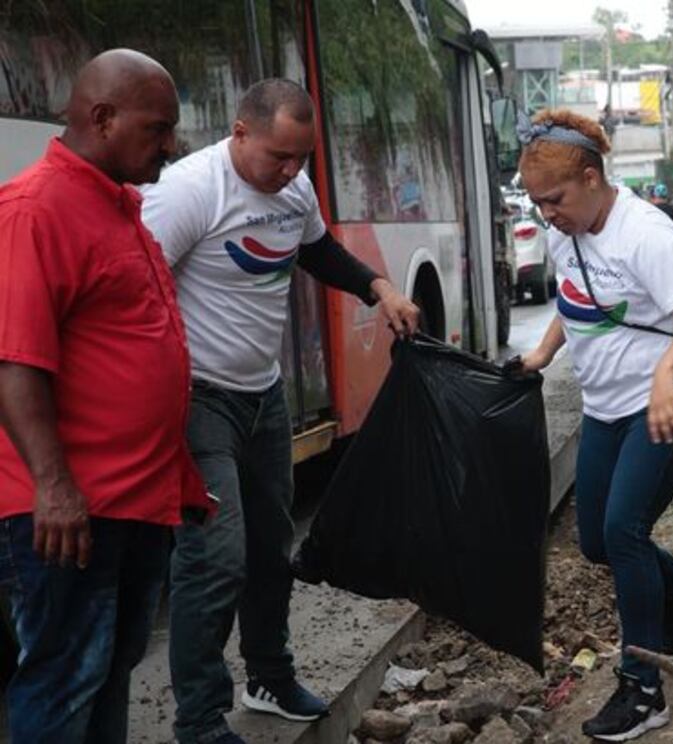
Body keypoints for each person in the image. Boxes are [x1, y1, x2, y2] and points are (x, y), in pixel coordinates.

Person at [139, 79, 421, 744]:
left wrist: (378, 286)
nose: (291, 172)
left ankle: (269, 674)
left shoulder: (291, 188)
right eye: (278, 157)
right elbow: (134, 288)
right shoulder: (188, 191)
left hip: (263, 396)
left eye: (302, 159)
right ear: (239, 133)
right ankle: (201, 720)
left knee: (272, 547)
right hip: (197, 399)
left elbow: (316, 249)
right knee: (216, 557)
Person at [0, 49, 211, 743]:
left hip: (132, 498)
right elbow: (15, 363)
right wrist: (55, 489)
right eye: (157, 128)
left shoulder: (116, 202)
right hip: (71, 507)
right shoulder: (35, 209)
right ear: (102, 117)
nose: (170, 145)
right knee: (66, 677)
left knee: (110, 666)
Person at [517, 109, 673, 741]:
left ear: (591, 176)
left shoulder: (646, 234)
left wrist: (665, 377)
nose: (546, 213)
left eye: (554, 199)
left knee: (625, 531)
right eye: (537, 203)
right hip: (605, 408)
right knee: (597, 543)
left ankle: (643, 688)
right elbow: (576, 300)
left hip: (669, 403)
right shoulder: (565, 229)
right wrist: (544, 351)